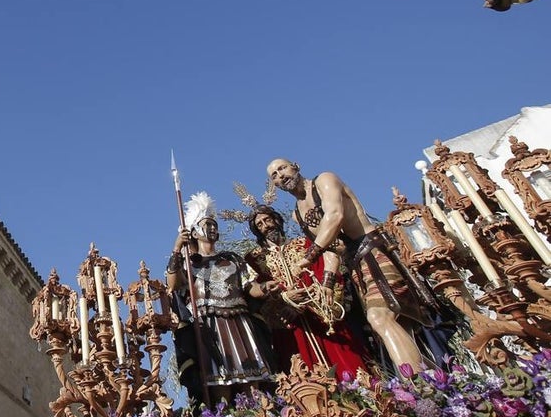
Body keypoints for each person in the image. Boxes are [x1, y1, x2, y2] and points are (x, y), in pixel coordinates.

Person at [266, 159, 438, 374]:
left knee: (380, 318)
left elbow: (334, 217)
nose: (280, 175)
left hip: (373, 252)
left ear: (295, 166)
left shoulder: (325, 180)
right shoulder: (297, 213)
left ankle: (418, 385)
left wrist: (307, 257)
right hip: (354, 265)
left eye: (282, 168)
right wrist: (327, 283)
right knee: (395, 325)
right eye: (274, 175)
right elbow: (332, 247)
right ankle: (432, 382)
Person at [167, 192, 275, 403]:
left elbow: (249, 286)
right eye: (207, 224)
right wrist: (177, 248)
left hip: (239, 321)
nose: (212, 228)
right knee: (219, 381)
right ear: (194, 232)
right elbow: (174, 285)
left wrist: (265, 288)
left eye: (214, 224)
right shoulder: (189, 264)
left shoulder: (232, 259)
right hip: (209, 326)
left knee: (251, 378)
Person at [244, 205, 369, 380]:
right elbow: (255, 293)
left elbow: (326, 274)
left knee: (347, 367)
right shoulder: (254, 259)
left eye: (267, 220)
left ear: (277, 220)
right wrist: (286, 301)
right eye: (259, 224)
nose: (265, 226)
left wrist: (306, 301)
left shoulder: (306, 244)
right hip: (289, 326)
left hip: (320, 317)